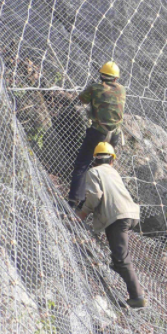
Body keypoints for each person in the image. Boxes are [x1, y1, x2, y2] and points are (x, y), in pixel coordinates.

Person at [76, 142, 145, 309]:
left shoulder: (93, 172)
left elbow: (95, 196)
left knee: (122, 258)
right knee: (118, 254)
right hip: (129, 213)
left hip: (117, 217)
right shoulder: (113, 172)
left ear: (95, 160)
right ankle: (117, 264)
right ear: (112, 160)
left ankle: (137, 298)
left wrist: (82, 214)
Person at [68, 61, 125, 208]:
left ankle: (75, 201)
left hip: (97, 133)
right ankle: (99, 205)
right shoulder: (122, 90)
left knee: (83, 164)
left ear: (102, 75)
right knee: (104, 169)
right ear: (116, 78)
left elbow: (81, 99)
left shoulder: (95, 88)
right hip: (114, 135)